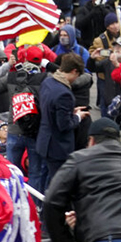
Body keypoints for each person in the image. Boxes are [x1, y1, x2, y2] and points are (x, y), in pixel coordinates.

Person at [35, 53, 91, 192]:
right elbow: (64, 125)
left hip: (44, 142)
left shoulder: (47, 82)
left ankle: (39, 207)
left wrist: (69, 112)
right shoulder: (64, 94)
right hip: (58, 148)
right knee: (57, 186)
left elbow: (49, 109)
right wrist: (77, 117)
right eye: (77, 76)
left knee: (43, 179)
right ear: (74, 71)